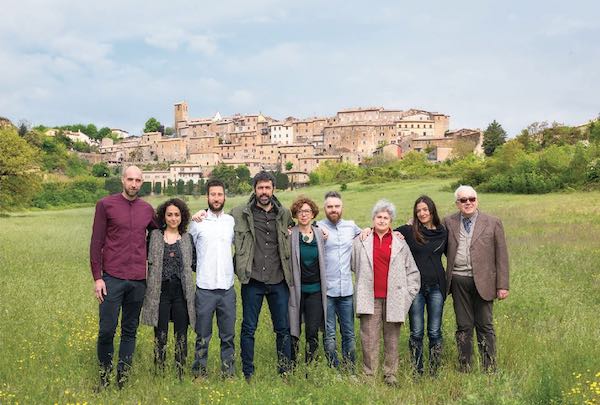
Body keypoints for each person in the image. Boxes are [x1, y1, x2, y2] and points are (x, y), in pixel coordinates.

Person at [89, 165, 156, 389]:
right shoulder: (105, 205)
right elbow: (96, 243)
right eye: (130, 179)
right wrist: (97, 277)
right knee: (107, 329)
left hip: (138, 280)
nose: (134, 184)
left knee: (130, 331)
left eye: (138, 180)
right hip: (112, 278)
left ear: (142, 183)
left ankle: (122, 380)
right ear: (122, 180)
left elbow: (164, 230)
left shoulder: (147, 210)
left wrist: (191, 219)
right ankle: (104, 379)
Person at [230, 171, 294, 381]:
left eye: (267, 188)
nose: (264, 192)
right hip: (253, 279)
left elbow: (303, 228)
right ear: (255, 189)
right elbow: (217, 220)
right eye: (260, 188)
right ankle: (248, 372)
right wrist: (200, 214)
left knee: (283, 328)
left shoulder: (284, 214)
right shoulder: (240, 213)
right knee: (248, 328)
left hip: (278, 279)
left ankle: (285, 371)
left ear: (273, 189)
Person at [353, 199, 420, 385]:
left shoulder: (399, 242)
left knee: (392, 339)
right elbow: (352, 264)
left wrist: (407, 296)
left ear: (391, 221)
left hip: (394, 299)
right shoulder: (362, 241)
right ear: (373, 219)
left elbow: (413, 272)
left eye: (386, 217)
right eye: (379, 217)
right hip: (370, 298)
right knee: (369, 339)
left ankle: (391, 374)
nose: (382, 220)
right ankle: (369, 375)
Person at [444, 185, 509, 373]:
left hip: (485, 281)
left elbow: (501, 255)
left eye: (471, 199)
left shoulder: (493, 222)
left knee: (485, 325)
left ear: (477, 200)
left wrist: (502, 285)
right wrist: (408, 226)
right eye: (463, 200)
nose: (468, 203)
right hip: (458, 280)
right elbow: (431, 234)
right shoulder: (448, 222)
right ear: (457, 203)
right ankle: (465, 366)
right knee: (463, 325)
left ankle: (489, 367)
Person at [141, 198, 196, 380]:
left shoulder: (187, 238)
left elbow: (194, 263)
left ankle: (180, 372)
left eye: (177, 215)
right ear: (164, 216)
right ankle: (159, 372)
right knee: (161, 334)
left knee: (181, 334)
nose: (173, 218)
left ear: (183, 216)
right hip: (160, 293)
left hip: (181, 293)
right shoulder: (155, 236)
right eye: (170, 214)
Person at [188, 179, 236, 378]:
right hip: (205, 288)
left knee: (228, 336)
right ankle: (199, 372)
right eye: (213, 194)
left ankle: (229, 372)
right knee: (202, 336)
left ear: (224, 196)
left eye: (220, 194)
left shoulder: (231, 222)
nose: (216, 198)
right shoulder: (197, 223)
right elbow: (185, 245)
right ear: (207, 197)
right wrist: (192, 215)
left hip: (227, 289)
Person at [396, 195, 447, 376]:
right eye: (418, 211)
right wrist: (367, 231)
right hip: (415, 288)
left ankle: (434, 370)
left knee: (434, 331)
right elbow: (384, 231)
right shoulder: (409, 231)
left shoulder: (443, 231)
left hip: (436, 288)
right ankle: (417, 370)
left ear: (432, 210)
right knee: (416, 332)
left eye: (425, 209)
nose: (422, 213)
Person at [317, 191, 362, 371]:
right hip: (326, 292)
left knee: (349, 334)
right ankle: (333, 368)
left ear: (342, 207)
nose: (333, 210)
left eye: (337, 206)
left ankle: (350, 368)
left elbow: (369, 233)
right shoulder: (317, 227)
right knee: (329, 335)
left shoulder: (351, 227)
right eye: (330, 207)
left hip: (346, 292)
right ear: (324, 208)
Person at [288, 196, 328, 365]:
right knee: (293, 328)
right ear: (296, 214)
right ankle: (292, 364)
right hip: (295, 290)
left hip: (315, 290)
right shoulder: (290, 234)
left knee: (312, 330)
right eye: (300, 211)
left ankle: (309, 365)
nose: (303, 215)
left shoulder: (320, 234)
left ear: (313, 214)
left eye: (307, 211)